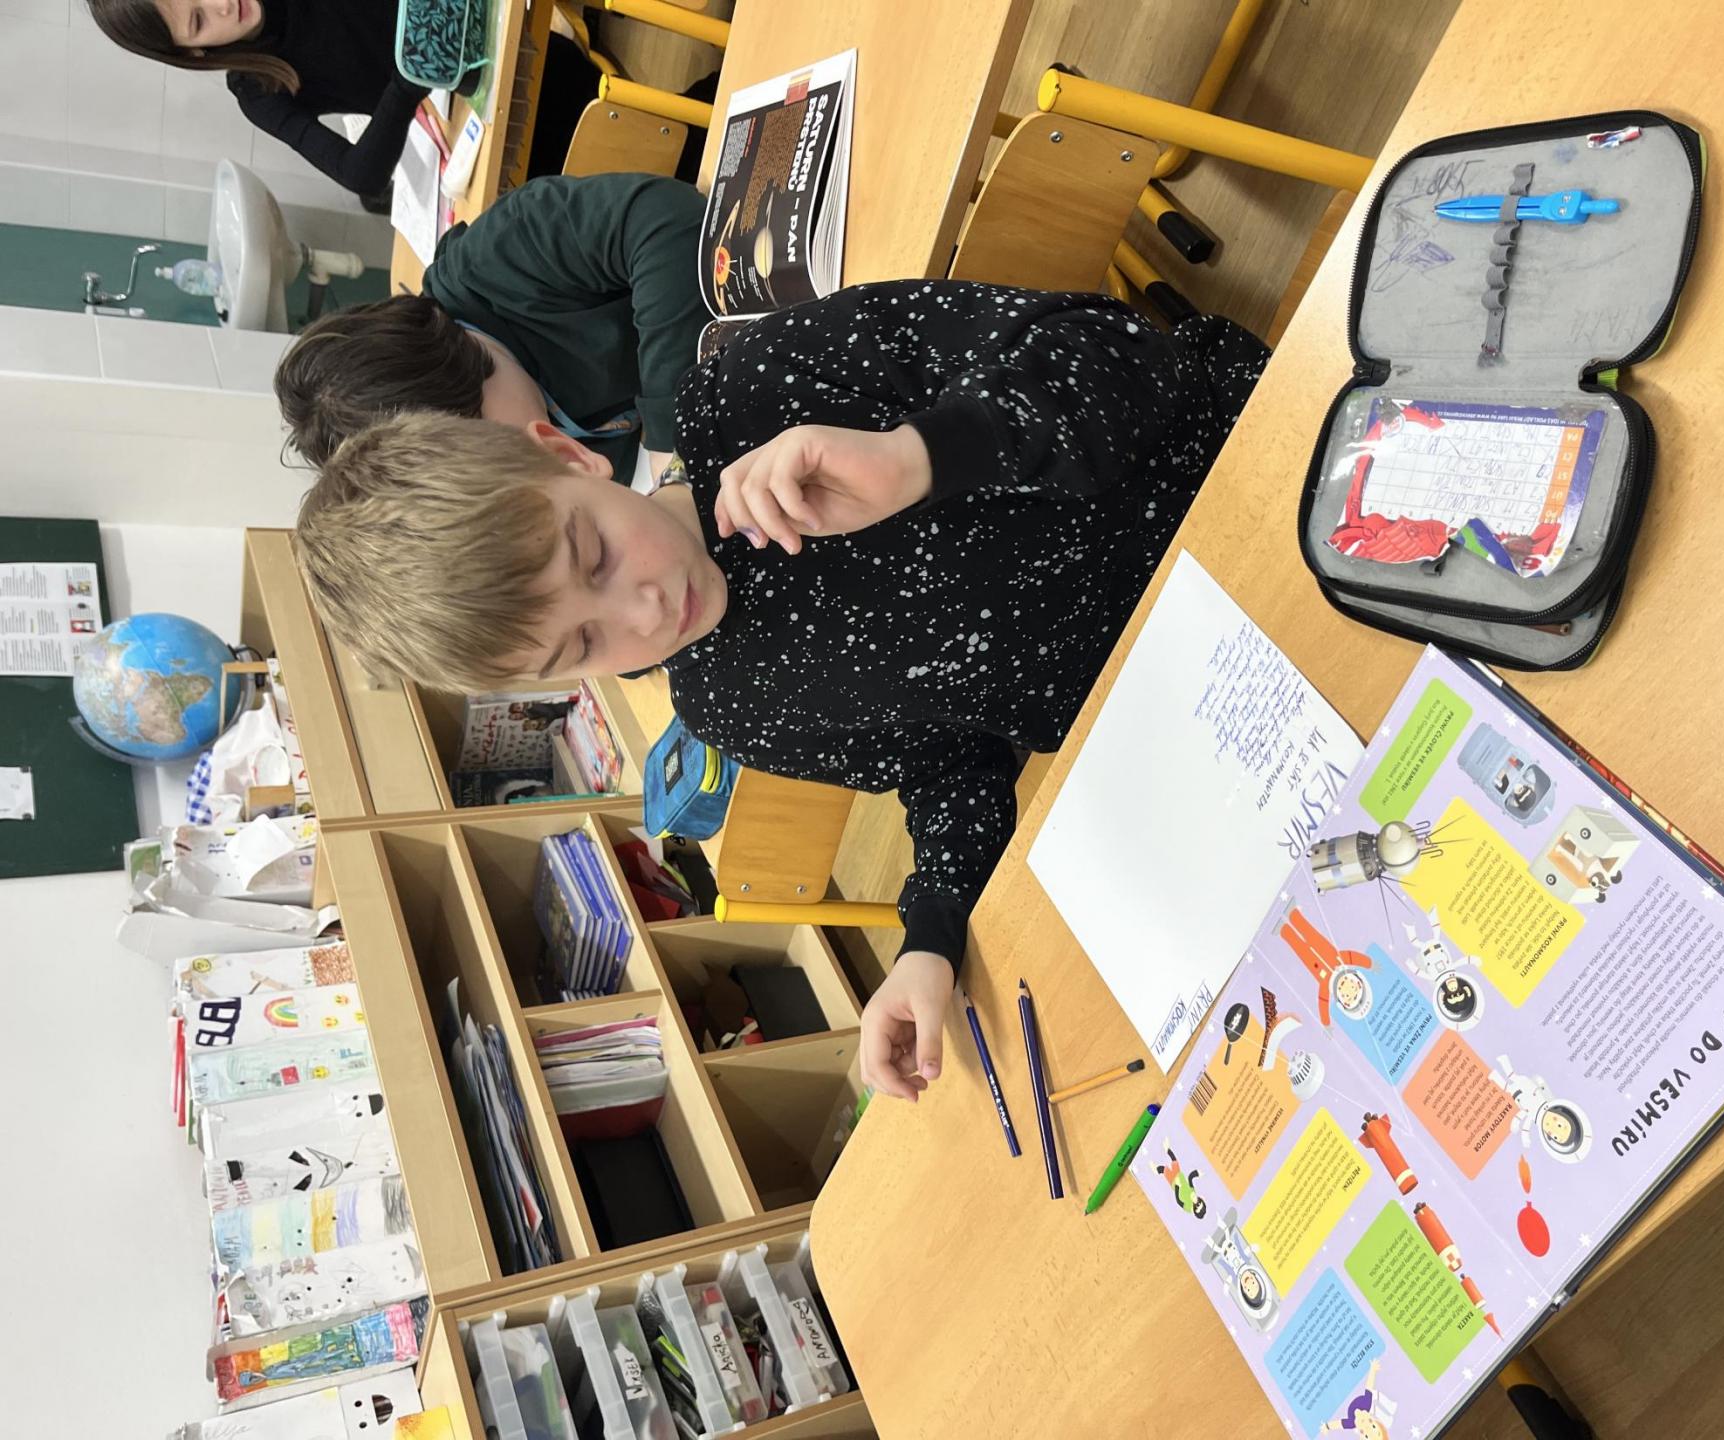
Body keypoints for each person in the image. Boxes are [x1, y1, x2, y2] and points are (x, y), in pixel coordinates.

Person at [293, 279, 1268, 1104]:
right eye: (582, 644)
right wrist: (930, 939)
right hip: (1204, 702)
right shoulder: (729, 706)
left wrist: (921, 456)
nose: (643, 612)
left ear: (568, 455)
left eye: (593, 553)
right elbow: (951, 766)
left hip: (1252, 483)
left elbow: (1126, 356)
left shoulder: (761, 390)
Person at [274, 172, 706, 485]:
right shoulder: (473, 474)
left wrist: (670, 441)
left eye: (492, 439)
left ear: (462, 350)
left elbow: (669, 220)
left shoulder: (501, 254)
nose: (519, 460)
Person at [84, 0, 603, 204]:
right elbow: (361, 176)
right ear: (193, 52)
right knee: (553, 182)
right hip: (494, 109)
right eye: (199, 21)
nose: (222, 5)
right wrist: (409, 78)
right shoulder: (257, 89)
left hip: (520, 40)